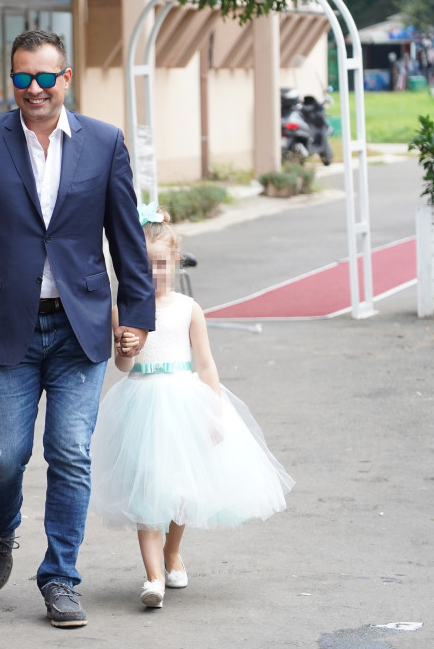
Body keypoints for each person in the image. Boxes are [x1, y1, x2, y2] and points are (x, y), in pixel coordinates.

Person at [0, 29, 155, 628]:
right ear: (12, 80)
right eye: (23, 77)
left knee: (70, 453)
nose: (34, 88)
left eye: (45, 77)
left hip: (80, 326)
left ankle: (60, 578)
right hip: (8, 326)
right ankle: (1, 528)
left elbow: (126, 238)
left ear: (66, 79)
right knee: (4, 456)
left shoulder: (104, 143)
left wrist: (136, 315)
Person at [90, 204, 295, 609]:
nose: (153, 273)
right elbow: (123, 366)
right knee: (147, 491)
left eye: (161, 264)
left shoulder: (188, 309)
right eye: (144, 265)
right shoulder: (122, 310)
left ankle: (172, 552)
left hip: (183, 402)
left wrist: (214, 412)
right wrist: (126, 347)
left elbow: (206, 364)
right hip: (141, 405)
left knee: (180, 492)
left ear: (175, 261)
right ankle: (153, 578)